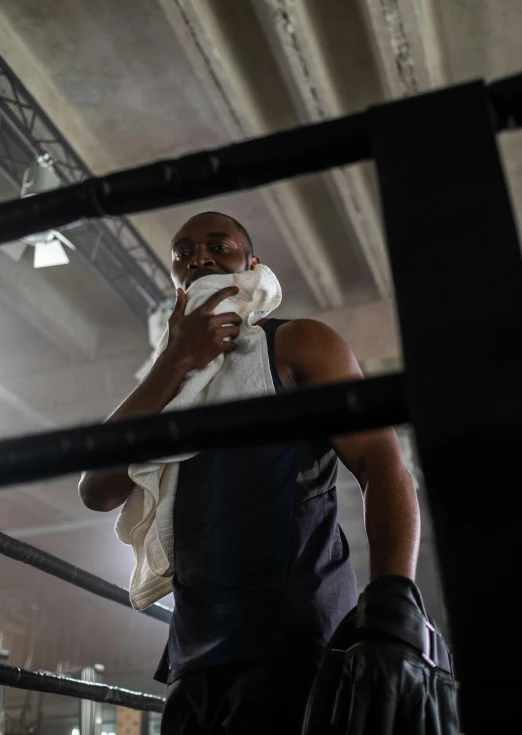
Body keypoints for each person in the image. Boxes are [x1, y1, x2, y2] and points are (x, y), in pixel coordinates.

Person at [79, 211, 420, 735]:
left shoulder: (300, 344)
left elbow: (383, 463)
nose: (199, 256)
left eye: (219, 245)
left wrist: (394, 598)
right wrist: (175, 360)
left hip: (295, 639)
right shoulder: (167, 386)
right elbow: (97, 490)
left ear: (251, 264)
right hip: (193, 653)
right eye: (183, 251)